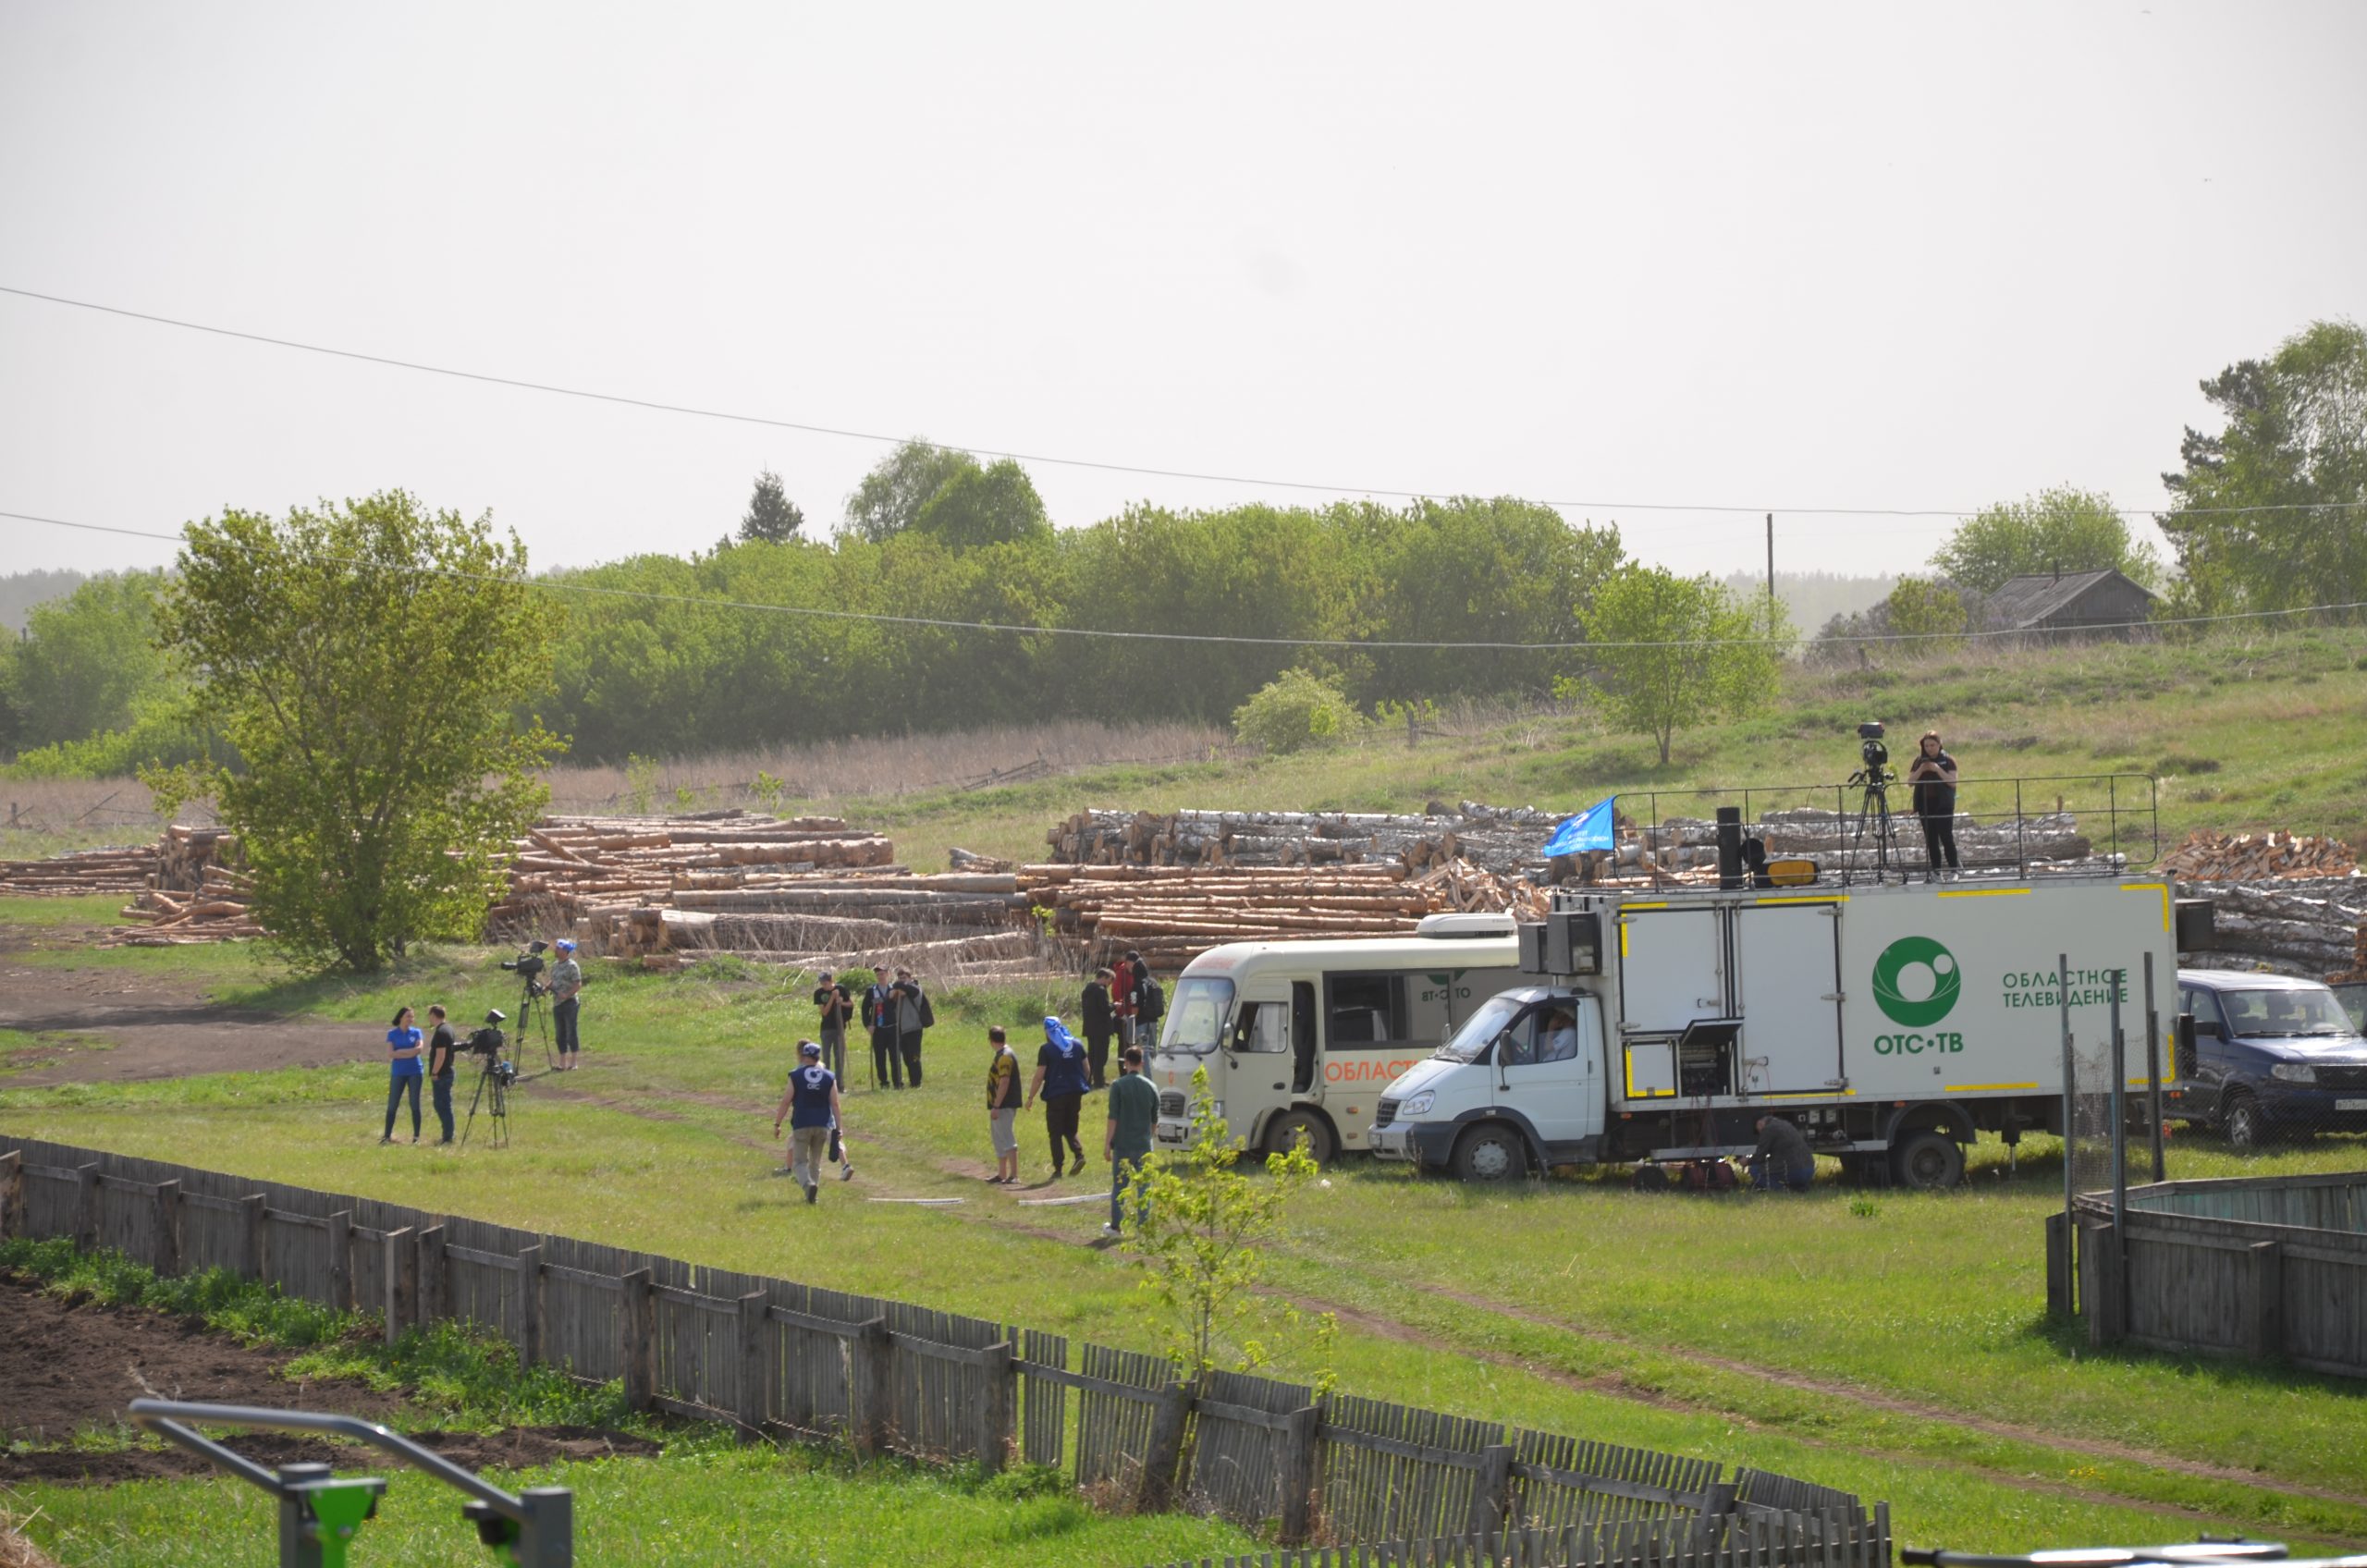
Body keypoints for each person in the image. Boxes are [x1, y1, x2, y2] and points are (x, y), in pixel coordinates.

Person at [771, 1040, 844, 1204]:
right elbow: (835, 1103)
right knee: (815, 1162)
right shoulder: (829, 1076)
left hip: (802, 1123)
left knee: (798, 1162)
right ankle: (813, 1196)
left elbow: (786, 1101)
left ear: (804, 1056)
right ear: (818, 1058)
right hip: (822, 1124)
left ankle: (808, 1185)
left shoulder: (795, 1076)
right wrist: (838, 1128)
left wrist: (777, 1124)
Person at [1104, 1045, 1159, 1237]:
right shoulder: (1151, 1087)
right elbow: (1154, 1121)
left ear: (1126, 1063)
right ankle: (1143, 1227)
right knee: (1144, 1186)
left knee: (1120, 1186)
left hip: (1123, 1145)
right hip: (1144, 1144)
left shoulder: (1118, 1086)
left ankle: (1116, 1226)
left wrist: (1107, 1144)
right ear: (1142, 1063)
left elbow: (1113, 1118)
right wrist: (1148, 1138)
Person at [1027, 1015, 1090, 1176]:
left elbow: (1040, 1075)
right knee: (1071, 1127)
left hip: (1056, 1094)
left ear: (1047, 1031)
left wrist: (1030, 1097)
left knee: (1055, 1132)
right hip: (1076, 1092)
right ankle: (1079, 1155)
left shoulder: (1047, 1049)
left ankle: (1058, 1168)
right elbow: (1087, 1068)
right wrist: (1082, 1084)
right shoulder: (1077, 1044)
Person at [1907, 730, 1961, 877]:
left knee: (1946, 837)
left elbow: (1952, 782)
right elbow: (1910, 782)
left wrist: (1937, 769)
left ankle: (1953, 870)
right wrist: (1922, 769)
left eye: (1932, 745)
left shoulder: (1948, 760)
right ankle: (1936, 871)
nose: (1929, 748)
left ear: (1939, 745)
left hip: (1943, 804)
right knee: (1931, 840)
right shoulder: (1919, 761)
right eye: (1926, 746)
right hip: (1925, 804)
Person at [984, 1024, 1022, 1183]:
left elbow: (1004, 1081)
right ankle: (1002, 1174)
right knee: (999, 1138)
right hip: (1000, 1104)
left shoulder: (1005, 1056)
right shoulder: (1002, 1054)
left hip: (1004, 1104)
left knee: (1007, 1138)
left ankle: (1013, 1175)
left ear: (991, 1040)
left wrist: (997, 1105)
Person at [382, 1007, 424, 1144]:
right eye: (408, 1016)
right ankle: (387, 1136)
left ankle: (416, 1137)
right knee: (393, 1104)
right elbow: (390, 1054)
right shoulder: (392, 1034)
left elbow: (418, 1050)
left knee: (414, 1104)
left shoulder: (417, 1032)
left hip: (415, 1071)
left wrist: (400, 1052)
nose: (410, 1019)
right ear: (401, 1017)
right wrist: (408, 1052)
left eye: (412, 1017)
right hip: (398, 1072)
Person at [1748, 1113, 1816, 1193]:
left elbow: (1759, 1157)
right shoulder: (1786, 1124)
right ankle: (1799, 1187)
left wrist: (1747, 1161)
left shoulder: (1768, 1129)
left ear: (1760, 1123)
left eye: (1757, 1130)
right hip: (1809, 1171)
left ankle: (1784, 1190)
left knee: (1755, 1170)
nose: (1759, 1133)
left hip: (1795, 1171)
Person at [424, 1003, 459, 1145]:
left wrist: (434, 1072)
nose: (429, 1019)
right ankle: (447, 1134)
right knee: (442, 1104)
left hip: (442, 1074)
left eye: (429, 1016)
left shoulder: (440, 1032)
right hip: (447, 1071)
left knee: (442, 1105)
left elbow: (440, 1055)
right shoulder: (448, 1028)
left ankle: (448, 1136)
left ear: (433, 1015)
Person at [548, 937, 584, 1069]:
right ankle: (562, 1062)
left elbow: (578, 984)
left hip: (570, 1003)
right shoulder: (554, 965)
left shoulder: (572, 966)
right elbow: (553, 981)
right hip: (557, 1003)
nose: (556, 950)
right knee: (560, 1033)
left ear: (565, 951)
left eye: (559, 948)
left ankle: (574, 1062)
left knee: (571, 1032)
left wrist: (566, 995)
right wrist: (545, 988)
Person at [864, 964, 901, 1089]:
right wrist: (868, 1024)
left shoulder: (894, 989)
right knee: (880, 1057)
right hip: (878, 1028)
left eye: (882, 974)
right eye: (878, 974)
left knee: (895, 1057)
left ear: (888, 974)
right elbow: (865, 1009)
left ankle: (897, 1082)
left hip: (892, 1027)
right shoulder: (871, 990)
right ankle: (884, 1082)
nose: (880, 976)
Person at [812, 970, 852, 1081]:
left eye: (825, 983)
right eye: (822, 983)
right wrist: (832, 998)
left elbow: (851, 1004)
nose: (823, 986)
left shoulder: (841, 989)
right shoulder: (819, 993)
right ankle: (826, 1081)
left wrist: (841, 1002)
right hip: (826, 1028)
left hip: (839, 1027)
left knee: (839, 1056)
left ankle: (839, 1083)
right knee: (826, 1056)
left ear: (831, 981)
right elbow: (824, 1012)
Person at [1080, 967, 1115, 1090]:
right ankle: (1099, 1081)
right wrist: (1114, 1005)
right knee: (1101, 1056)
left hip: (1090, 1027)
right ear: (1104, 978)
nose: (1109, 985)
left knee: (1092, 1055)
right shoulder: (1100, 991)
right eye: (1109, 981)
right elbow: (1104, 1008)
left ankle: (1088, 1079)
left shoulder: (1087, 990)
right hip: (1101, 1028)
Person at [893, 968, 928, 1088]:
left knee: (914, 1056)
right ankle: (912, 1080)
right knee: (907, 1058)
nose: (902, 981)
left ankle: (916, 1083)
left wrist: (901, 985)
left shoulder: (915, 988)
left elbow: (900, 986)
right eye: (900, 978)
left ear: (910, 978)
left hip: (914, 1027)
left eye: (904, 978)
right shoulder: (899, 991)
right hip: (902, 1029)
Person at [1110, 953, 1137, 1057]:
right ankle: (1123, 1069)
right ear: (1128, 962)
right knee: (1124, 1042)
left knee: (1133, 1041)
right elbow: (1116, 994)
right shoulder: (1121, 973)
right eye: (1133, 963)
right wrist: (1122, 1013)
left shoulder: (1136, 972)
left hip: (1135, 1012)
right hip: (1125, 1013)